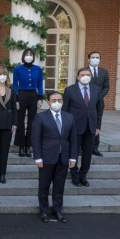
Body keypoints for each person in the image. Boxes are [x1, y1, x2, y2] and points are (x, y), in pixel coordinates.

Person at [32, 91, 78, 223]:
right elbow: (36, 139)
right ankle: (44, 211)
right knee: (44, 186)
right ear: (48, 103)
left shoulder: (69, 117)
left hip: (63, 158)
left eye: (59, 100)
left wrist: (73, 158)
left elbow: (73, 139)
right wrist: (38, 158)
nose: (56, 102)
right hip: (46, 158)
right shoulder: (41, 117)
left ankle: (57, 210)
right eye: (53, 100)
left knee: (59, 186)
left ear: (63, 102)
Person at [63, 68, 103, 188]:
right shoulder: (70, 90)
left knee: (87, 153)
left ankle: (83, 175)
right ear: (78, 77)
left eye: (88, 74)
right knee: (73, 151)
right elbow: (65, 110)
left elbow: (99, 110)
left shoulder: (96, 90)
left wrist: (98, 126)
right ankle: (74, 174)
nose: (85, 76)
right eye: (83, 74)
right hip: (74, 126)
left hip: (90, 126)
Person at [13, 48, 44, 158]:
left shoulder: (38, 69)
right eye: (27, 54)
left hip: (33, 96)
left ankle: (28, 146)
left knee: (32, 122)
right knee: (20, 121)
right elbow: (15, 85)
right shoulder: (17, 69)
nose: (29, 56)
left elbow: (40, 84)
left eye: (31, 54)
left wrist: (40, 98)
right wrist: (16, 100)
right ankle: (21, 146)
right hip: (21, 95)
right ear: (23, 56)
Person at [87, 52, 109, 157]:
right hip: (86, 101)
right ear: (88, 59)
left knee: (97, 123)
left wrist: (100, 96)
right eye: (93, 57)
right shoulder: (84, 71)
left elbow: (106, 86)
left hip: (99, 102)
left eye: (97, 57)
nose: (95, 59)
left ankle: (95, 148)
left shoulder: (104, 72)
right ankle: (83, 148)